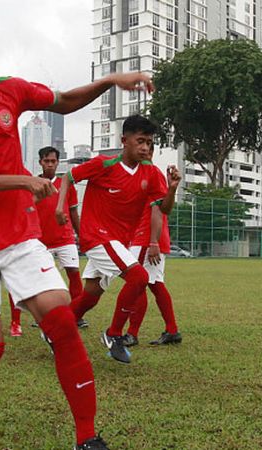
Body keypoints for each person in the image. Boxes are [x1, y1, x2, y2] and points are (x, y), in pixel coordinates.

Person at [0, 11, 153, 449]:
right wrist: (23, 180)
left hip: (20, 236)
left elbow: (62, 101)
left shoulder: (6, 89)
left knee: (61, 321)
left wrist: (108, 82)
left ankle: (87, 437)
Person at [60, 115, 180, 365]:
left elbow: (164, 209)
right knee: (139, 277)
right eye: (140, 141)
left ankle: (55, 330)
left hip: (119, 242)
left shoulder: (152, 172)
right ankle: (114, 334)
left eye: (149, 142)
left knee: (90, 296)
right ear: (124, 140)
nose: (146, 147)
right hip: (96, 237)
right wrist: (60, 207)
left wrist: (172, 188)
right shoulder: (104, 164)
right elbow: (68, 177)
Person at [10, 146, 86, 337]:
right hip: (39, 240)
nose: (50, 164)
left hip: (65, 238)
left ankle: (76, 316)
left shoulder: (66, 184)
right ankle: (16, 322)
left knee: (74, 274)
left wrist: (82, 235)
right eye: (46, 161)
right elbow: (24, 208)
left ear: (58, 162)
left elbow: (74, 212)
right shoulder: (33, 183)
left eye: (53, 161)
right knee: (28, 281)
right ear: (40, 162)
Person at [121, 146, 181, 347]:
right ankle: (172, 330)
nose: (143, 150)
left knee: (139, 286)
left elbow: (157, 209)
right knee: (154, 284)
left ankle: (132, 333)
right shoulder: (144, 174)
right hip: (144, 238)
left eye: (147, 146)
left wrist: (153, 241)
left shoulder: (150, 174)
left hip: (147, 239)